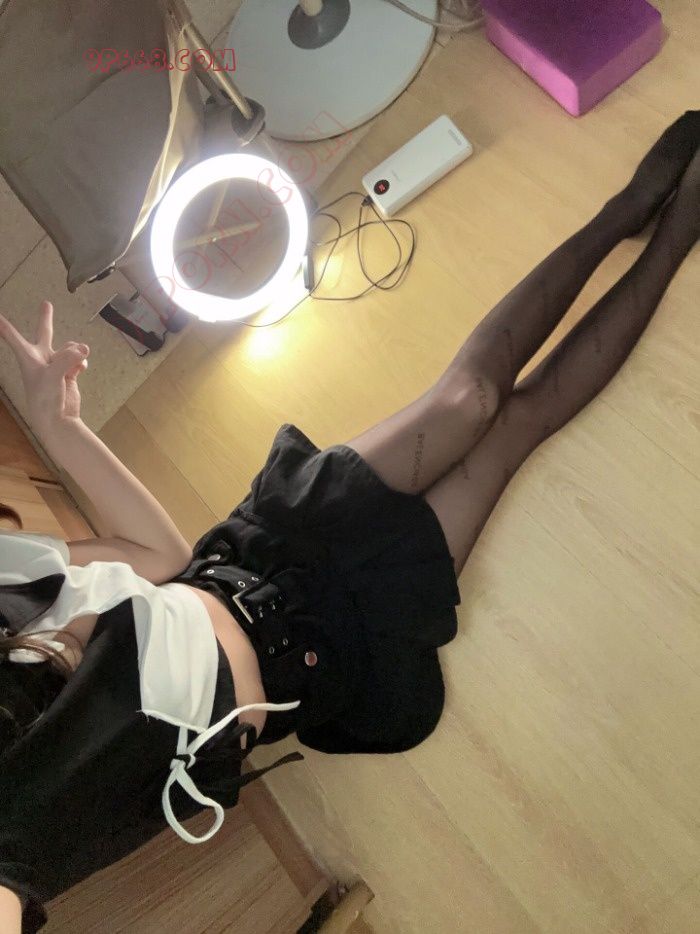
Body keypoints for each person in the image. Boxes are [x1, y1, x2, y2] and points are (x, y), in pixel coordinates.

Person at [0, 112, 698, 933]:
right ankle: (677, 235)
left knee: (470, 400)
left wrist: (61, 429)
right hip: (323, 647)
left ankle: (627, 209)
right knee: (513, 427)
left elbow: (157, 553)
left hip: (263, 548)